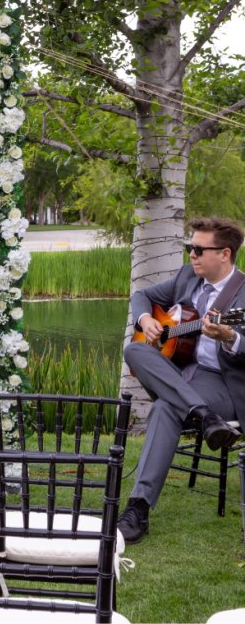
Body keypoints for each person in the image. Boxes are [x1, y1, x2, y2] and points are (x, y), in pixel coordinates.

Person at [120, 217, 245, 543]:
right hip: (181, 372)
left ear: (225, 254)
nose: (191, 254)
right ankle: (204, 417)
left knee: (164, 408)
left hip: (221, 381)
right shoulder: (187, 277)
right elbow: (141, 295)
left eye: (199, 249)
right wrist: (146, 318)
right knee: (135, 351)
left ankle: (138, 508)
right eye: (190, 247)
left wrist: (231, 336)